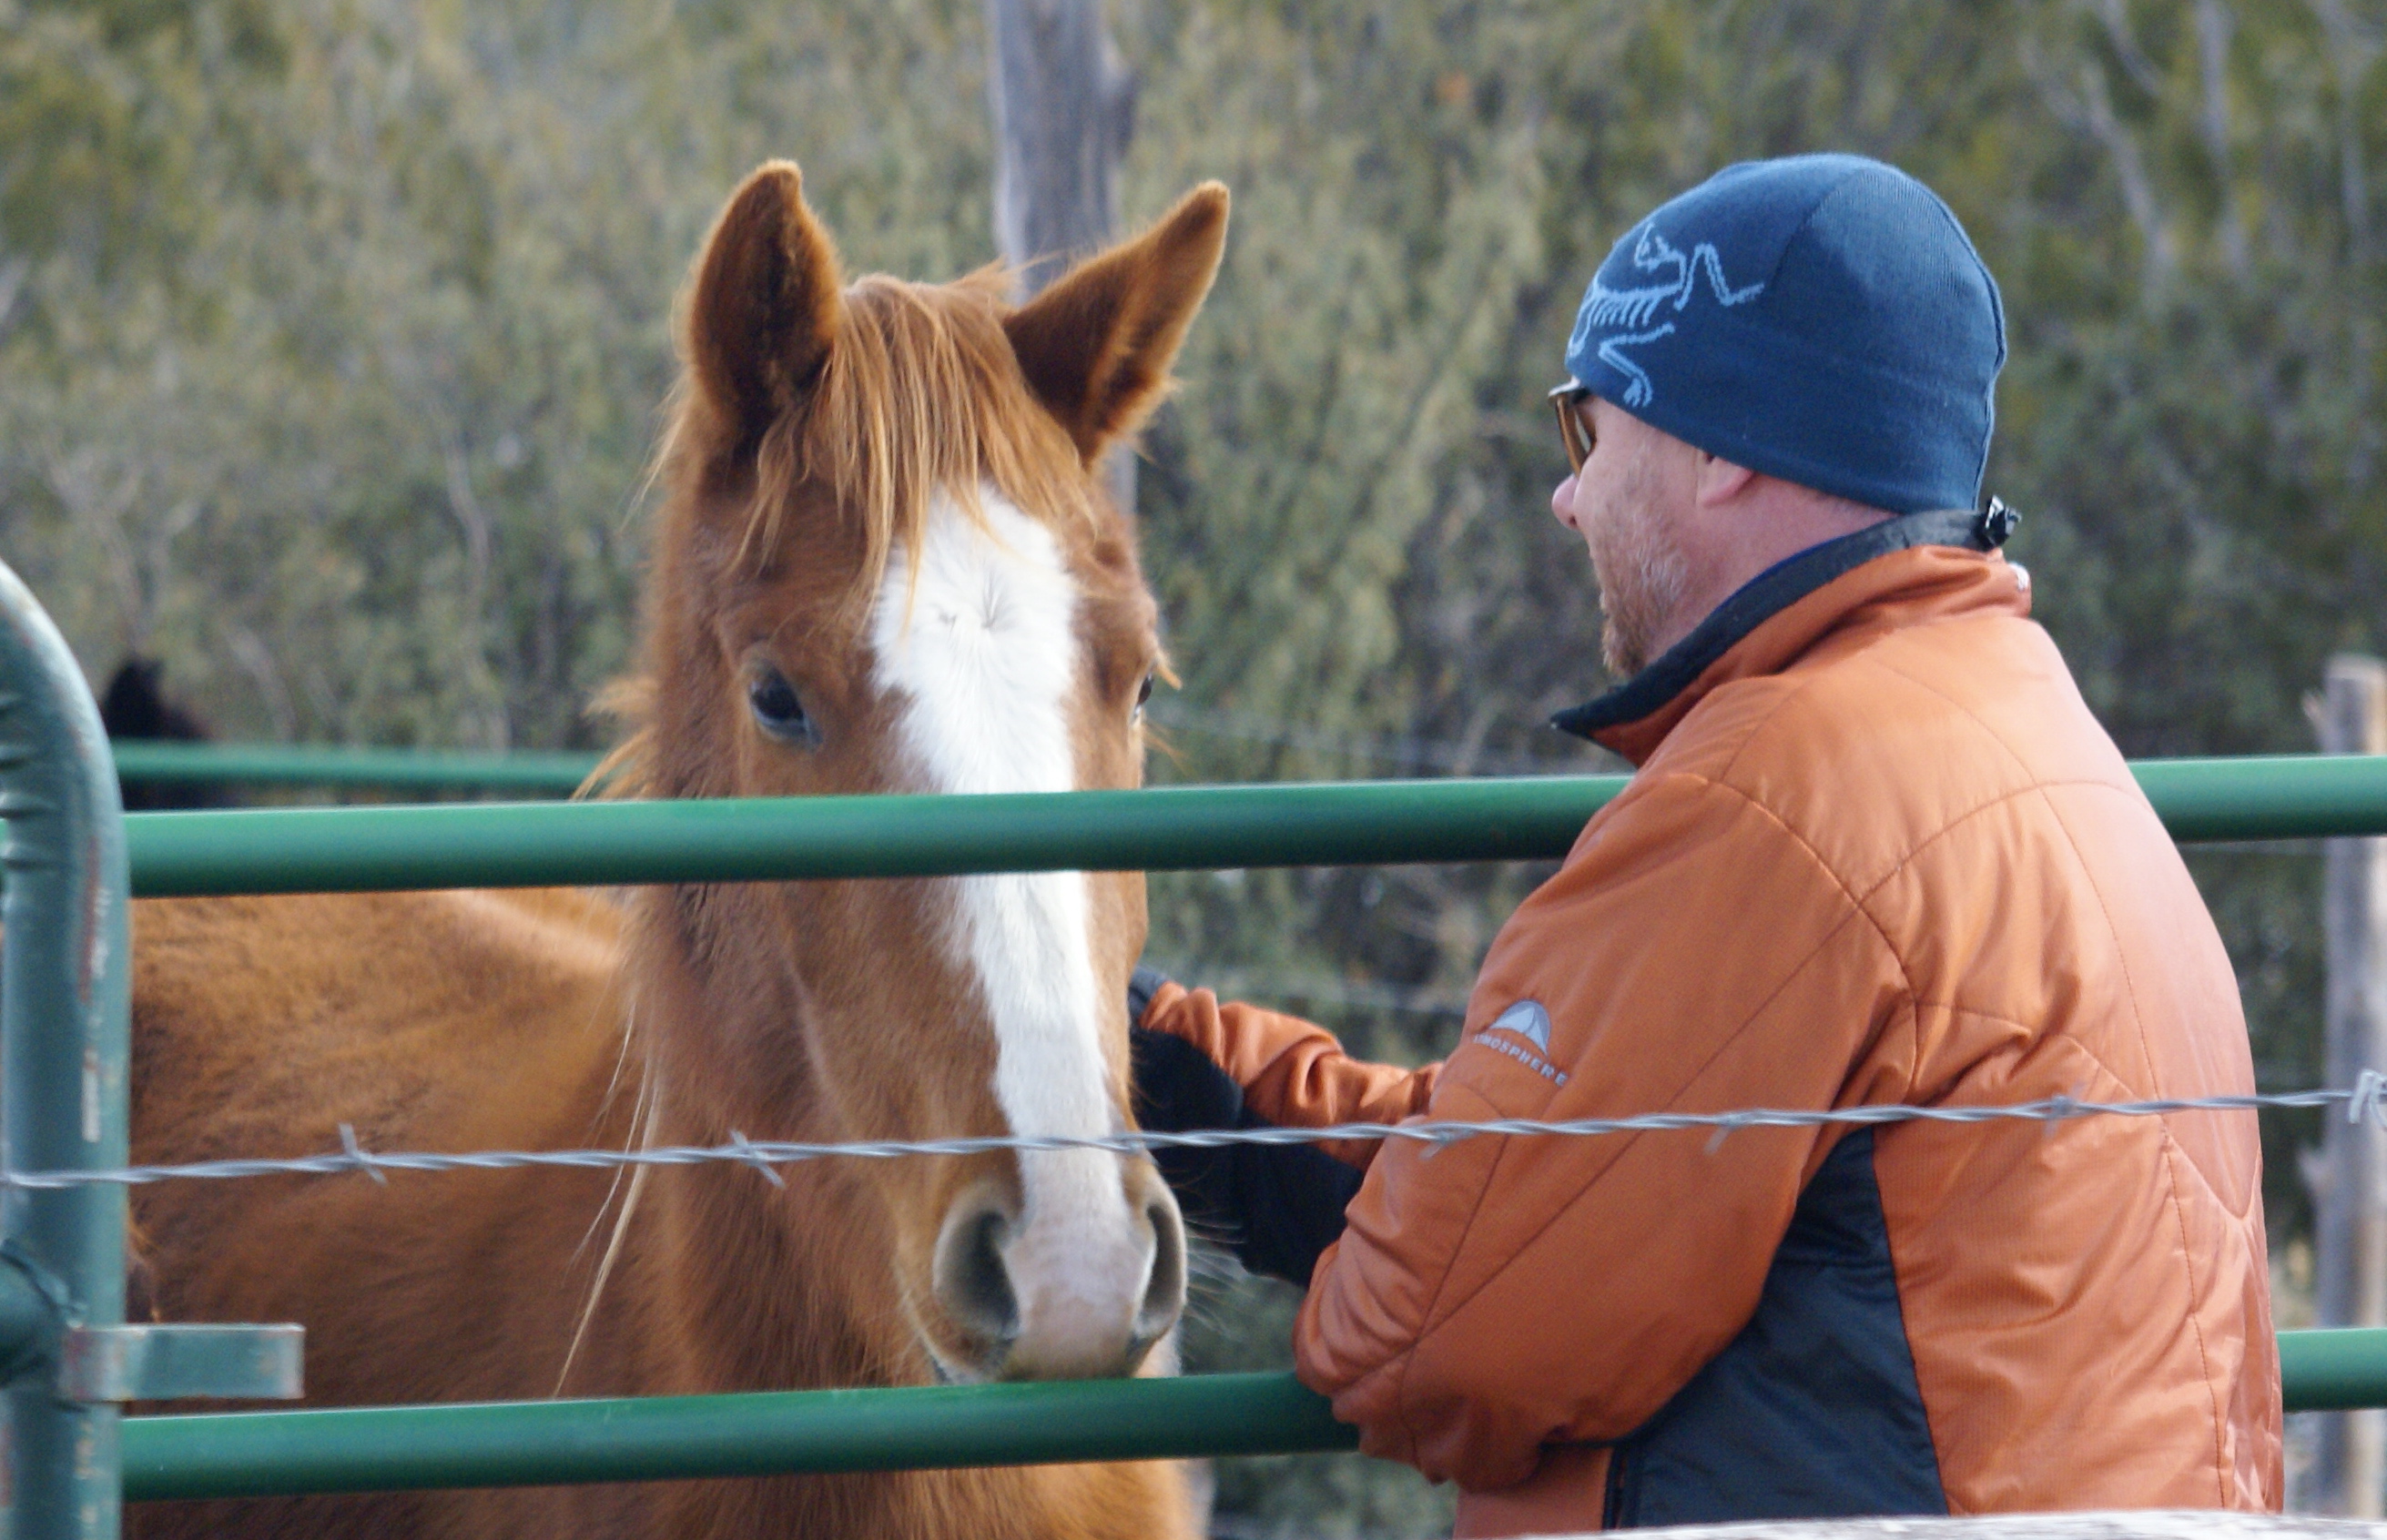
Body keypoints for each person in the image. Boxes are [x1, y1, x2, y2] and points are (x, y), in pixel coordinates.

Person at [1131, 154, 2280, 1535]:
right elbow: (1552, 1180)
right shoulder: (2035, 737)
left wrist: (1351, 1252)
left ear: (1724, 445)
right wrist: (1162, 1069)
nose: (1568, 498)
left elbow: (1437, 1334)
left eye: (1587, 428)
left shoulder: (1779, 795)